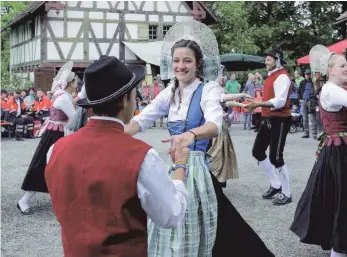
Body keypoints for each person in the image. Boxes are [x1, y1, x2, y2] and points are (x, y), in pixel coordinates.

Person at [125, 20, 274, 257]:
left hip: (198, 168)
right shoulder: (170, 91)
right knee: (169, 221)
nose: (180, 66)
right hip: (174, 165)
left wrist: (190, 134)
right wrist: (112, 135)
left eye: (187, 61)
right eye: (176, 60)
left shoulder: (208, 89)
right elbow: (141, 119)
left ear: (197, 64)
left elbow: (214, 124)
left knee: (218, 225)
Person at [45, 56, 189, 257]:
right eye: (134, 95)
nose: (136, 99)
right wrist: (180, 166)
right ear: (123, 100)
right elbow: (171, 215)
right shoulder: (142, 157)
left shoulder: (55, 150)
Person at [291, 45, 347, 257]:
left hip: (337, 152)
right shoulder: (332, 90)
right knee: (341, 204)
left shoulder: (336, 88)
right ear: (330, 70)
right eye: (342, 65)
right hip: (339, 154)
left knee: (339, 203)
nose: (346, 68)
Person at [17, 61, 76, 214]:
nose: (78, 83)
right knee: (43, 166)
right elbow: (74, 119)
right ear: (70, 83)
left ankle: (65, 198)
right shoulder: (63, 98)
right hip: (56, 135)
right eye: (76, 81)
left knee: (64, 167)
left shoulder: (61, 94)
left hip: (58, 133)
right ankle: (24, 200)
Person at [245, 49, 292, 205]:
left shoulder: (282, 76)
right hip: (268, 118)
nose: (266, 61)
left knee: (276, 157)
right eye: (266, 59)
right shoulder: (270, 77)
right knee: (257, 151)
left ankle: (287, 192)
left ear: (277, 60)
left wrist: (258, 104)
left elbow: (279, 102)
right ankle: (276, 184)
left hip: (280, 119)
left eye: (269, 59)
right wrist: (254, 101)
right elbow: (269, 99)